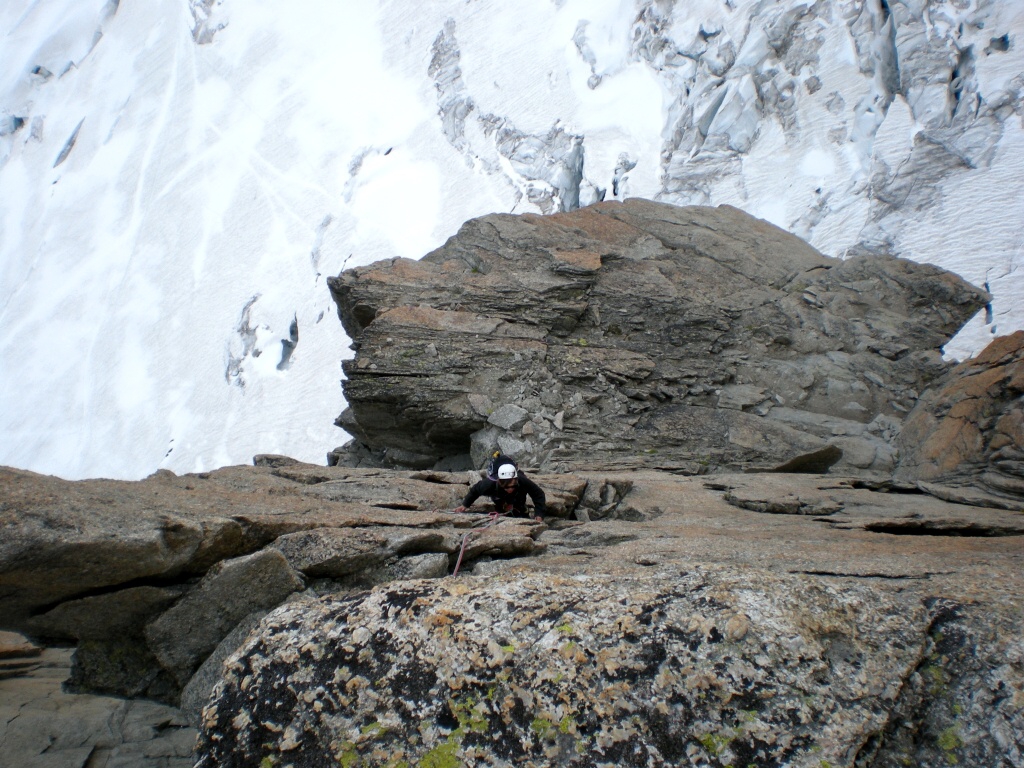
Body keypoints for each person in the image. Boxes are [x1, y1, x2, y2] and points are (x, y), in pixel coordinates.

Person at [454, 460, 547, 522]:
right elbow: (475, 491)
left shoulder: (522, 480)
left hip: (519, 495)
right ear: (499, 482)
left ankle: (520, 509)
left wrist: (539, 514)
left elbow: (538, 494)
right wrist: (465, 505)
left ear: (516, 480)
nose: (510, 489)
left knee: (520, 509)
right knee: (501, 508)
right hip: (499, 496)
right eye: (506, 487)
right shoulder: (488, 484)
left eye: (512, 486)